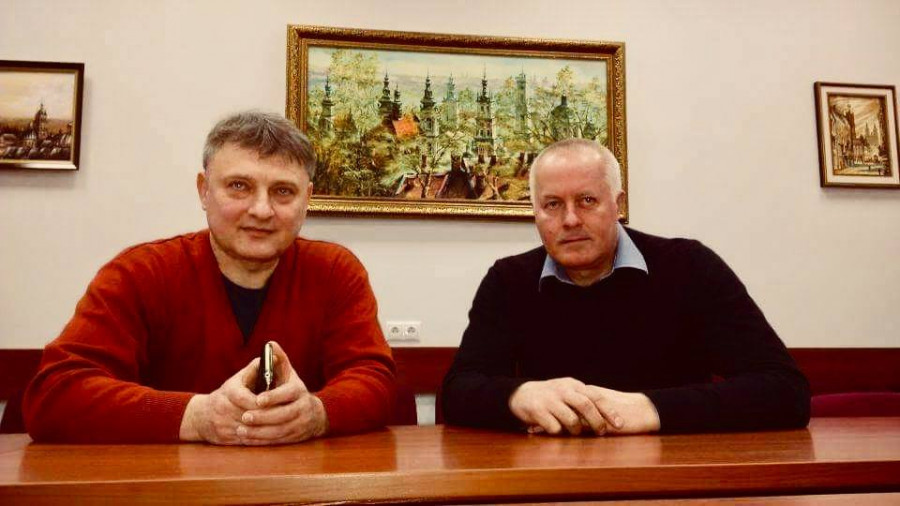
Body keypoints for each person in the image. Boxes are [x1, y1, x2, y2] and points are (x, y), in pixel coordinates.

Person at [23, 111, 396, 444]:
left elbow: (376, 382)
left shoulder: (335, 272)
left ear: (307, 199)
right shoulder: (139, 273)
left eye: (283, 192)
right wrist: (196, 417)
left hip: (298, 486)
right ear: (204, 190)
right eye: (239, 186)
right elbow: (55, 394)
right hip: (168, 488)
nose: (261, 210)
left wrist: (317, 414)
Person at [442, 138, 810, 436]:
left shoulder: (690, 267)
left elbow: (785, 391)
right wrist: (518, 396)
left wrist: (649, 409)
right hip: (552, 478)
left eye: (587, 200)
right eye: (552, 204)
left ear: (617, 204)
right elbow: (457, 392)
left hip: (673, 477)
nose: (570, 220)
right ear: (535, 212)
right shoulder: (508, 280)